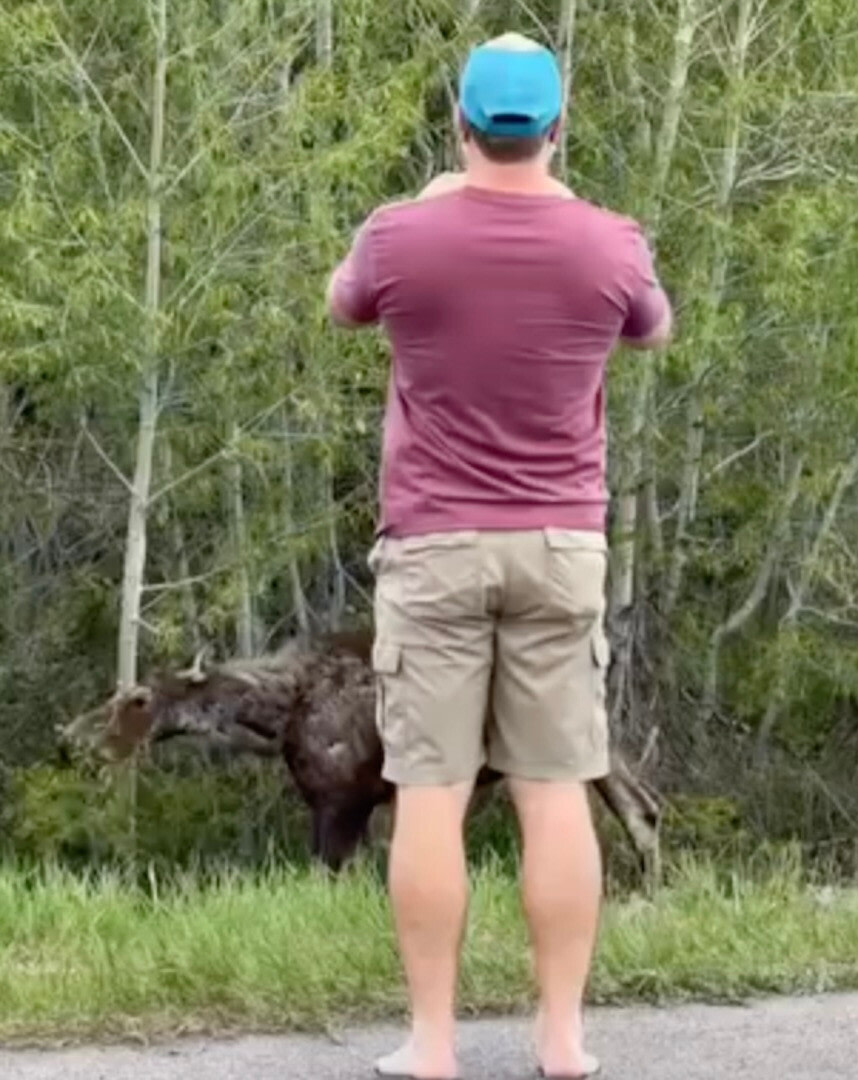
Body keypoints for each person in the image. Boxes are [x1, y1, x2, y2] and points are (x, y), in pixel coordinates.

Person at [326, 30, 672, 1080]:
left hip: (433, 546)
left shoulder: (400, 237)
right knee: (555, 787)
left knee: (430, 789)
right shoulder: (612, 243)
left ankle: (433, 1046)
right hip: (561, 546)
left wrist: (436, 203)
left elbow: (344, 307)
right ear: (558, 129)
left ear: (459, 124)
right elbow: (652, 331)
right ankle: (561, 1042)